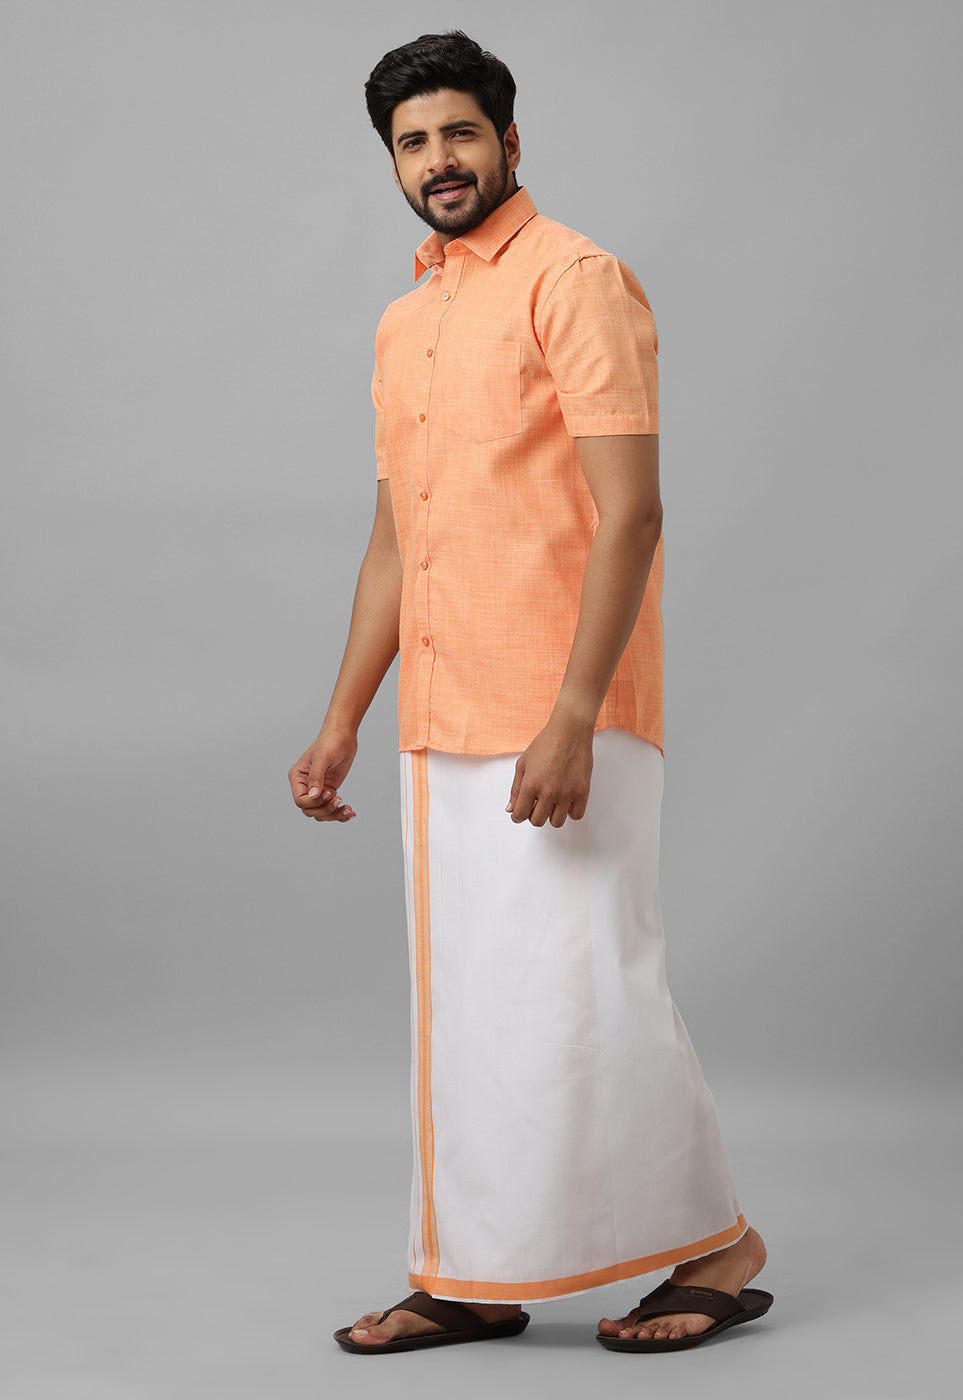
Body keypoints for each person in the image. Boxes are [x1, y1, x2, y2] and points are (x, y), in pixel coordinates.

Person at [288, 30, 771, 1355]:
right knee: (473, 1010)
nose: (438, 160)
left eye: (459, 132)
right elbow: (397, 542)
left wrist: (572, 716)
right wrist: (342, 719)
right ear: (393, 163)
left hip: (566, 713)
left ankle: (720, 1245)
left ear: (509, 140)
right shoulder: (407, 322)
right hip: (442, 713)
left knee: (593, 985)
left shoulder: (577, 280)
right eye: (412, 142)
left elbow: (632, 515)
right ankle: (475, 1271)